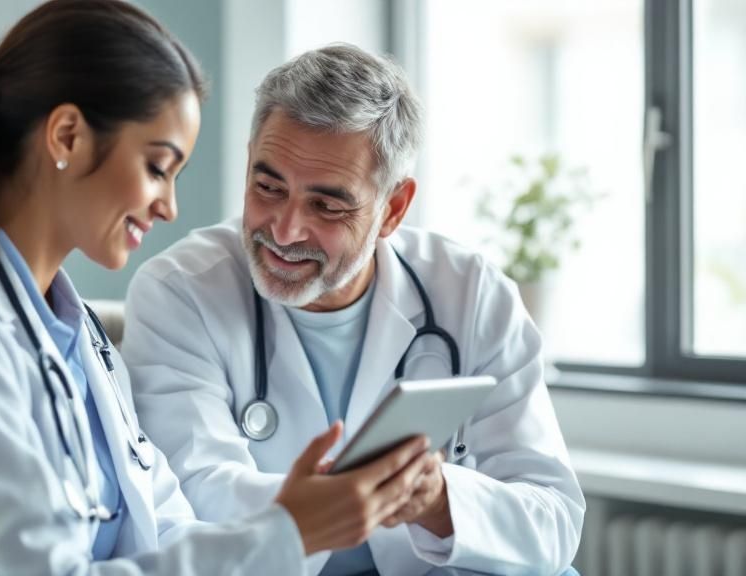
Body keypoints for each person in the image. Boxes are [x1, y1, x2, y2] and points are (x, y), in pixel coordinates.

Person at [0, 4, 433, 575]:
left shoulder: (75, 337)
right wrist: (287, 533)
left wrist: (291, 526)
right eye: (158, 167)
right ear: (68, 138)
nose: (169, 206)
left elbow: (164, 528)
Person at [122, 43, 586, 576]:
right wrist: (347, 501)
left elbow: (554, 520)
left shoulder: (471, 294)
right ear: (249, 160)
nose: (284, 229)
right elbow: (194, 501)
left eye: (326, 205)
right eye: (267, 186)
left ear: (392, 209)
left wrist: (438, 501)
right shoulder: (180, 291)